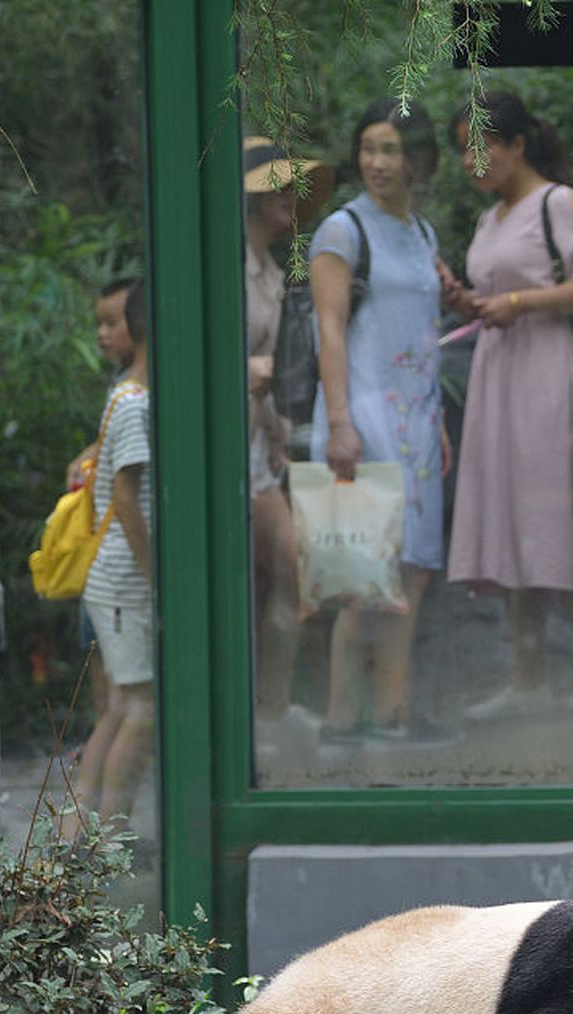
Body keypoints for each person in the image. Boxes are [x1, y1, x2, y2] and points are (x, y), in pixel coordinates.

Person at [443, 92, 573, 720]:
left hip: (544, 368)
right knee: (512, 515)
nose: (472, 161)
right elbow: (498, 296)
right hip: (497, 369)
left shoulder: (559, 203)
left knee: (554, 513)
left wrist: (517, 305)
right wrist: (470, 303)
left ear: (516, 144)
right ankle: (527, 682)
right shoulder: (491, 217)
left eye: (480, 145)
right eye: (462, 149)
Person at [312, 99, 450, 742]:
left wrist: (439, 420)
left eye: (391, 149)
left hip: (418, 421)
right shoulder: (343, 231)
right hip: (363, 415)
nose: (378, 162)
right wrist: (340, 423)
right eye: (369, 148)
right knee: (364, 578)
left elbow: (425, 330)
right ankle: (343, 719)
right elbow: (330, 331)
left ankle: (394, 712)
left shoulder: (422, 233)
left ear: (419, 158)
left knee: (413, 572)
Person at [242, 136, 331, 756]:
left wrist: (276, 435)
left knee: (290, 572)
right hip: (222, 447)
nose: (289, 201)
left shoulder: (273, 272)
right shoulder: (223, 264)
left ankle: (271, 707)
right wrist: (253, 370)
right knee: (260, 575)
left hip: (257, 447)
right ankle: (252, 712)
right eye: (278, 189)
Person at [70, 278, 154, 834]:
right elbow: (125, 500)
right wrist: (159, 576)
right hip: (126, 579)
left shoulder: (128, 395)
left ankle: (85, 831)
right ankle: (108, 834)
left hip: (123, 578)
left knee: (123, 703)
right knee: (139, 707)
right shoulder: (136, 404)